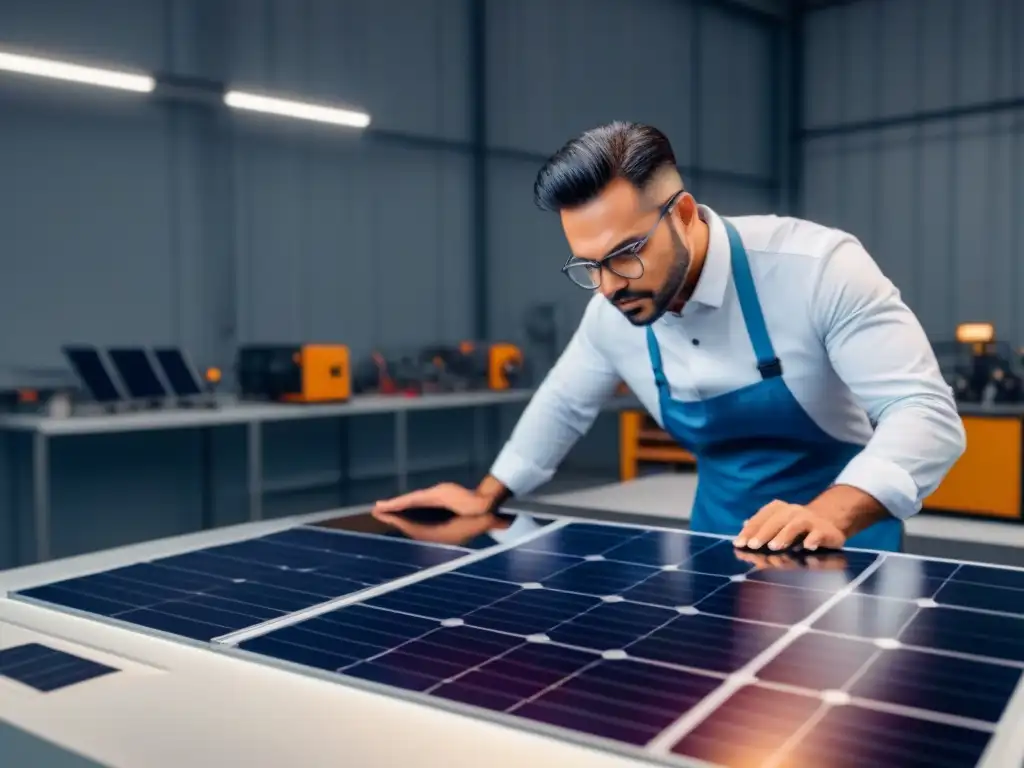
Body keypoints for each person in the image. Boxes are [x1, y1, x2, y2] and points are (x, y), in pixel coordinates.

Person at [373, 121, 966, 554]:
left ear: (683, 214)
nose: (607, 287)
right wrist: (487, 495)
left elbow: (925, 414)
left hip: (845, 543)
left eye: (626, 255)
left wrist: (829, 513)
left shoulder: (816, 268)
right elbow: (562, 404)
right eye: (588, 265)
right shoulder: (612, 309)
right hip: (718, 545)